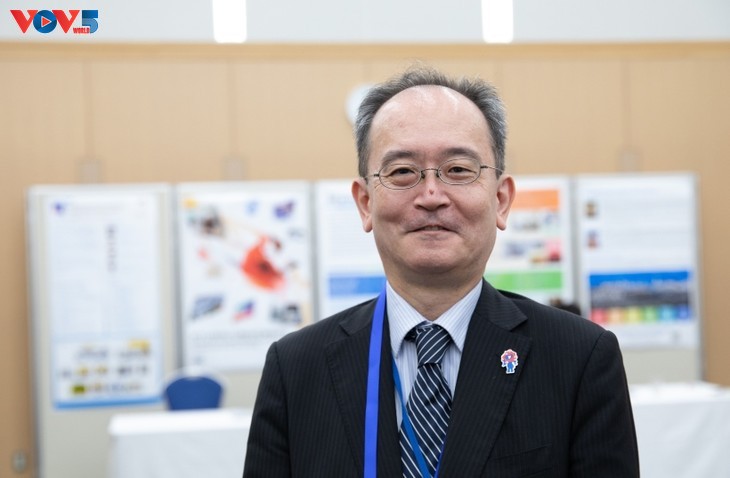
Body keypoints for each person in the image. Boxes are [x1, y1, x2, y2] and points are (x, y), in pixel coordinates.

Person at [243, 66, 639, 477]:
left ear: (501, 200)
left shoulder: (578, 359)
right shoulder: (296, 369)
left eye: (458, 170)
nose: (431, 195)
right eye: (402, 172)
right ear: (365, 203)